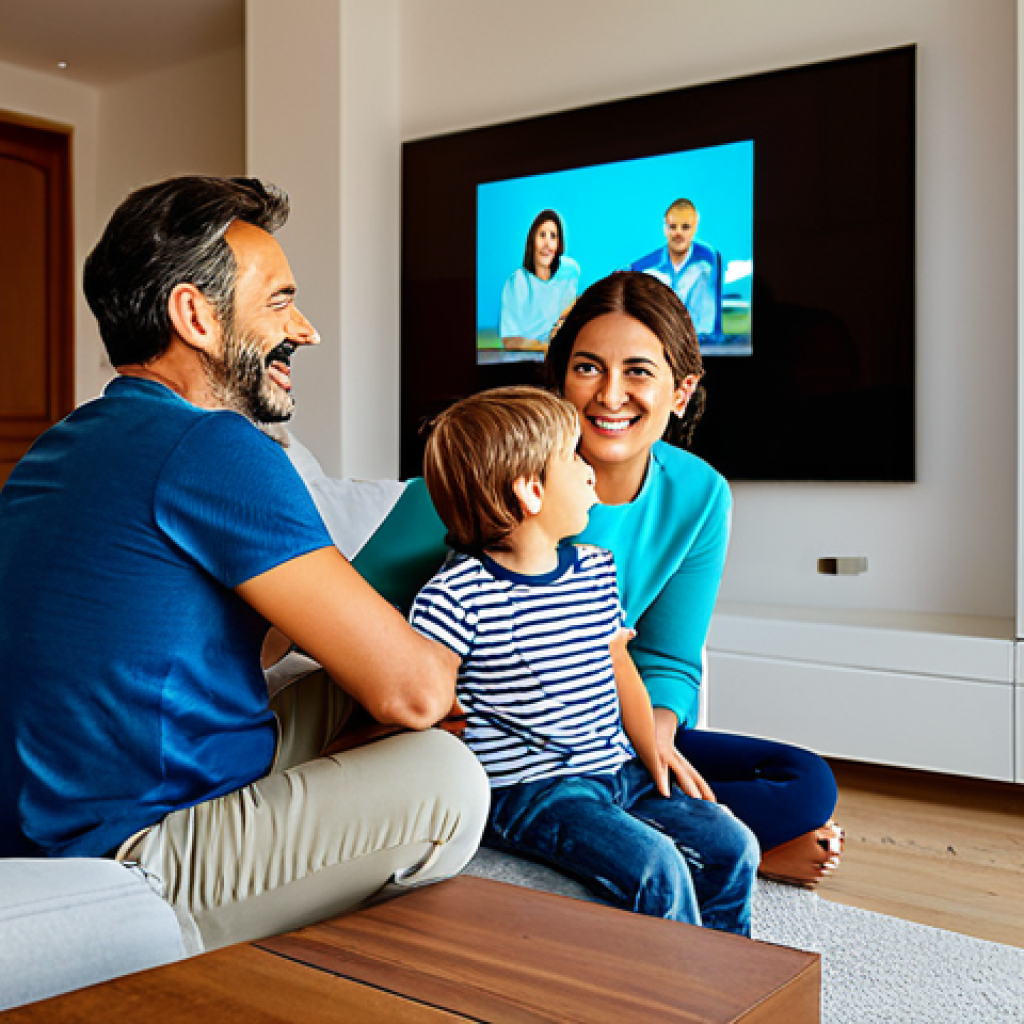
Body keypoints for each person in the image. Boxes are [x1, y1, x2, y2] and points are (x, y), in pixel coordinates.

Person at [0, 176, 489, 951]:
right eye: (279, 302)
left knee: (333, 683)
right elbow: (419, 691)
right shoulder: (217, 446)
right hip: (128, 855)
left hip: (44, 814)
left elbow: (254, 646)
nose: (306, 329)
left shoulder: (62, 444)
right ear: (196, 315)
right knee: (446, 777)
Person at [342, 271, 843, 887]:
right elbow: (343, 617)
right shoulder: (467, 494)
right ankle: (707, 845)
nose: (609, 395)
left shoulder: (699, 494)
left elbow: (668, 658)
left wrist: (654, 742)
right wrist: (421, 706)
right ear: (558, 382)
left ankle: (684, 835)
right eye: (587, 369)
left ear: (680, 391)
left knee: (806, 782)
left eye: (637, 371)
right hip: (517, 756)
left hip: (610, 732)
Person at [409, 386, 758, 933]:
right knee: (655, 867)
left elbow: (620, 666)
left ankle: (734, 977)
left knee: (732, 844)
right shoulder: (455, 597)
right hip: (531, 791)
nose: (589, 470)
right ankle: (678, 997)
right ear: (530, 491)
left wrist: (653, 752)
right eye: (573, 458)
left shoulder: (595, 570)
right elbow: (420, 697)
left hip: (615, 767)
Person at [629, 198, 720, 337]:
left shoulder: (707, 265)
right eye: (672, 227)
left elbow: (708, 322)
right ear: (665, 229)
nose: (678, 233)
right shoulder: (646, 270)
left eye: (685, 227)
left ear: (695, 228)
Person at [499, 209, 580, 351]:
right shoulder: (516, 282)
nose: (547, 244)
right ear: (532, 240)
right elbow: (509, 341)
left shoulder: (570, 272)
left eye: (553, 237)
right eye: (542, 235)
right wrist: (544, 347)